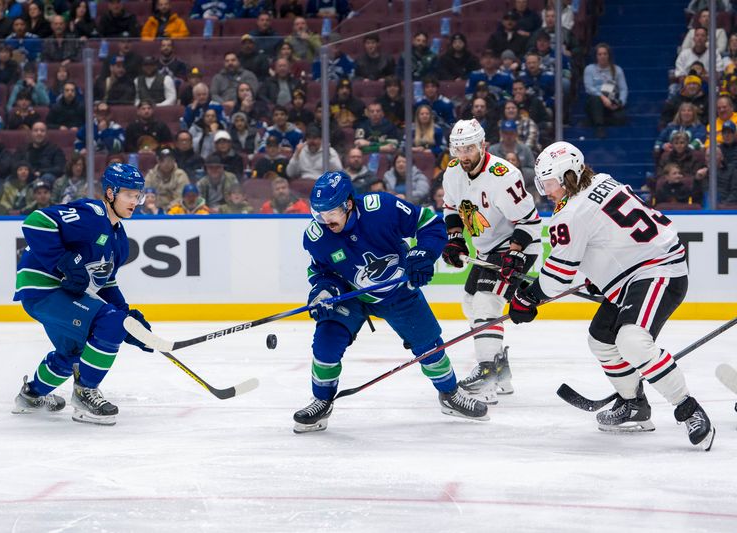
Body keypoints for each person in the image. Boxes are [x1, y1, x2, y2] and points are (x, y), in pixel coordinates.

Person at [509, 141, 715, 451]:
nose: (546, 191)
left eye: (549, 183)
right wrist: (600, 275)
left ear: (567, 176)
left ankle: (689, 410)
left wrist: (528, 298)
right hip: (641, 268)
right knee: (602, 339)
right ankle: (635, 406)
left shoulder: (570, 214)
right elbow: (610, 237)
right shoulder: (603, 180)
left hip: (658, 271)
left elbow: (558, 276)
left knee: (631, 341)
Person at [293, 171, 488, 433]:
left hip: (396, 291)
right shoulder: (317, 236)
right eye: (319, 214)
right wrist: (324, 290)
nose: (325, 221)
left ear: (348, 203)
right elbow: (321, 271)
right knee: (327, 340)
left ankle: (450, 394)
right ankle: (321, 400)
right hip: (350, 295)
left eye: (331, 213)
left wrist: (422, 254)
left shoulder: (381, 208)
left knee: (428, 344)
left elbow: (429, 223)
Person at [11, 163, 153, 426]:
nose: (135, 201)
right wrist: (63, 262)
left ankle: (30, 396)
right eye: (129, 195)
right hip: (43, 287)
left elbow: (106, 283)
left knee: (73, 352)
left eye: (138, 195)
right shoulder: (92, 213)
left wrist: (128, 320)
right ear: (110, 193)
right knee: (109, 323)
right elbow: (36, 222)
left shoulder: (120, 241)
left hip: (55, 295)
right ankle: (84, 392)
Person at [440, 119, 542, 404]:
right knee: (470, 303)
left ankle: (488, 374)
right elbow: (451, 207)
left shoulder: (503, 174)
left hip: (519, 244)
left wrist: (515, 254)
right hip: (487, 249)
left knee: (487, 302)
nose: (464, 155)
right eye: (458, 149)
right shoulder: (453, 171)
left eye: (470, 148)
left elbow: (529, 221)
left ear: (483, 145)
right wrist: (455, 238)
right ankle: (501, 370)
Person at [584, 43, 628, 137]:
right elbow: (589, 88)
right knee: (595, 100)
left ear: (609, 55)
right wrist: (602, 97)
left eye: (605, 54)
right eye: (600, 54)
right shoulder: (589, 69)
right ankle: (599, 127)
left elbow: (623, 89)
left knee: (621, 117)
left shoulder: (617, 70)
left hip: (610, 101)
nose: (602, 56)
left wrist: (620, 102)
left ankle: (600, 119)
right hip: (595, 100)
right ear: (596, 56)